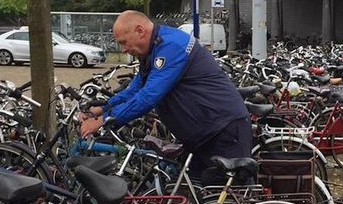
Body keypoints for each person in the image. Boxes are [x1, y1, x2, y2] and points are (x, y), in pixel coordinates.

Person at [79, 11, 251, 184]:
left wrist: (106, 120)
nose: (123, 49)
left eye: (123, 42)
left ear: (140, 30)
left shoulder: (171, 46)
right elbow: (135, 89)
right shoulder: (153, 50)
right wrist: (103, 108)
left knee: (232, 198)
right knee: (196, 197)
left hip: (222, 129)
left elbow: (149, 96)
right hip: (203, 134)